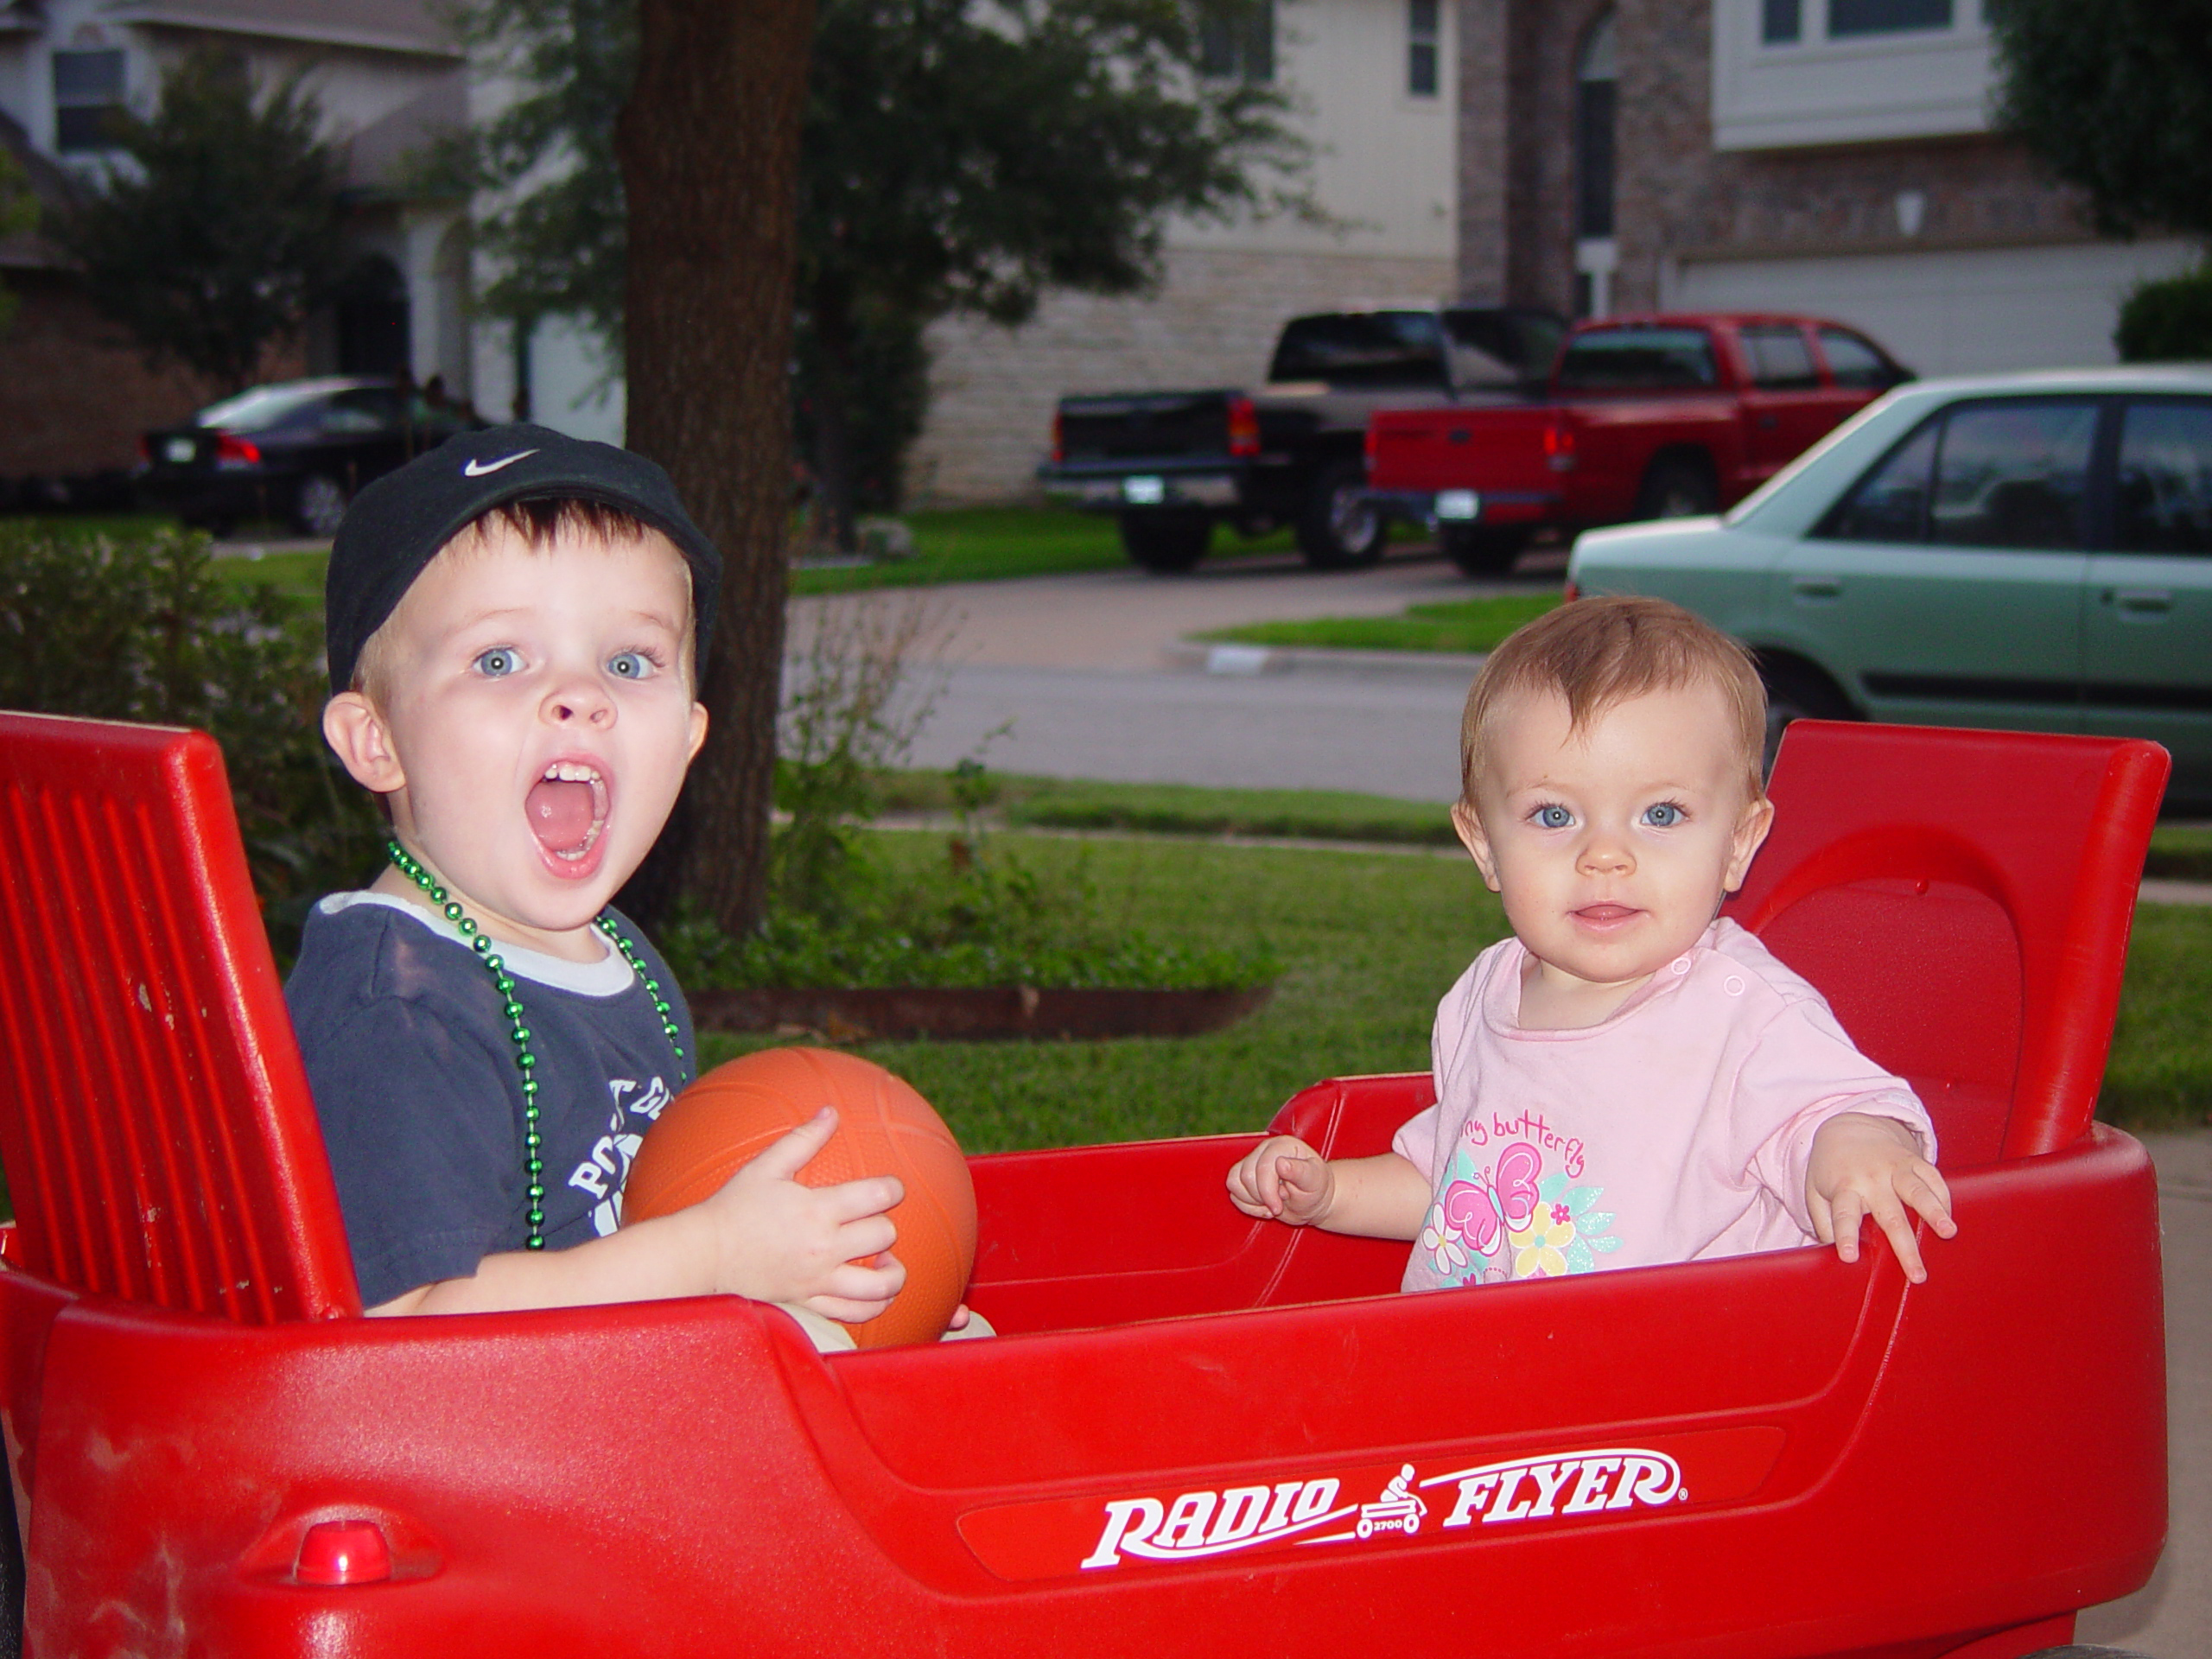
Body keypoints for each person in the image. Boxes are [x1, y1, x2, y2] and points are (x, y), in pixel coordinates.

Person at [289, 423, 908, 1332]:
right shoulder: (401, 1006)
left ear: (690, 739)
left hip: (589, 1406)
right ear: (375, 741)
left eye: (628, 662)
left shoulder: (617, 959)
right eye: (499, 660)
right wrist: (713, 1256)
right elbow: (403, 1323)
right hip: (457, 1459)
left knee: (894, 1337)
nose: (581, 695)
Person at [1227, 595, 1957, 1287]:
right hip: (1476, 1375)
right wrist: (1330, 1195)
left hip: (1665, 1389)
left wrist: (1858, 1148)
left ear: (1739, 842)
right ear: (1484, 845)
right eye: (1553, 817)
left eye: (1662, 815)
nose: (1605, 856)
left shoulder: (1742, 1012)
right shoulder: (1482, 994)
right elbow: (1456, 1191)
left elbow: (1838, 1110)